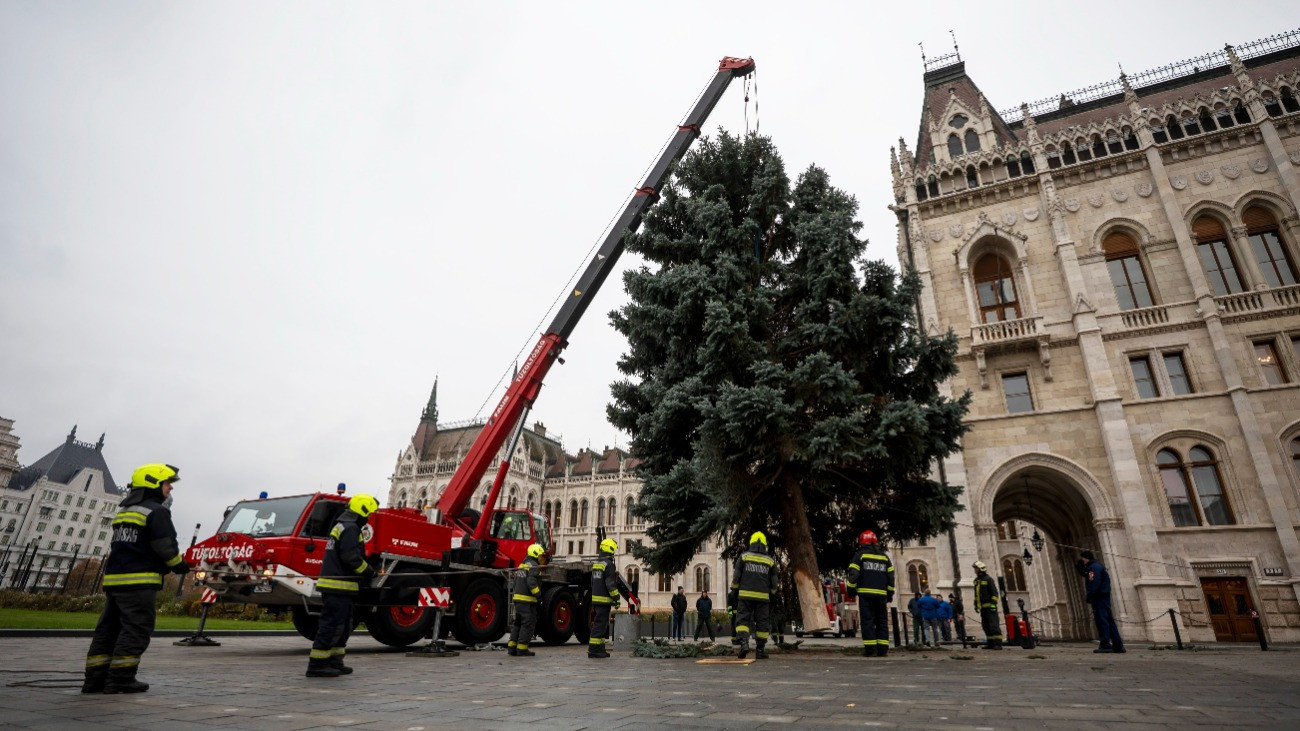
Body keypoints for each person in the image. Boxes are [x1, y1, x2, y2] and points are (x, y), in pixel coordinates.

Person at [82, 463, 189, 694]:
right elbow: (165, 547)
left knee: (107, 631)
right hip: (138, 583)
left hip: (115, 581)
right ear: (153, 483)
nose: (170, 487)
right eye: (167, 483)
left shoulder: (125, 512)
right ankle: (120, 679)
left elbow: (133, 545)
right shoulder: (157, 512)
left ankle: (94, 680)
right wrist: (179, 565)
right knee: (136, 629)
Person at [307, 493, 378, 677]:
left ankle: (335, 661)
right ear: (361, 511)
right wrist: (368, 571)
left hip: (340, 586)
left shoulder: (342, 525)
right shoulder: (351, 529)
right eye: (369, 514)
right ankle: (317, 665)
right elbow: (351, 557)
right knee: (332, 625)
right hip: (337, 586)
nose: (368, 518)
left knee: (344, 625)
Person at [729, 531, 777, 659]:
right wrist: (772, 593)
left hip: (745, 596)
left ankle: (744, 643)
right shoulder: (770, 561)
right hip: (763, 597)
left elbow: (737, 576)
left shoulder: (744, 557)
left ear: (751, 542)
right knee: (762, 623)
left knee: (743, 620)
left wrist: (734, 590)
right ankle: (760, 650)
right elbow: (774, 581)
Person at [846, 529, 894, 657]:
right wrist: (890, 594)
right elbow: (891, 577)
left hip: (866, 595)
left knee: (868, 622)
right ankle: (883, 649)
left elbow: (854, 575)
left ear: (862, 541)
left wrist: (850, 590)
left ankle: (871, 650)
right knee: (882, 622)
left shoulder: (860, 555)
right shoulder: (884, 557)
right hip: (881, 596)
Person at [589, 538, 634, 658]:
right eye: (613, 550)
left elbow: (593, 582)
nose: (613, 553)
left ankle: (599, 649)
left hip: (596, 599)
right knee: (601, 625)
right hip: (604, 600)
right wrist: (616, 598)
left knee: (599, 624)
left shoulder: (596, 564)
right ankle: (594, 650)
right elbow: (610, 584)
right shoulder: (609, 565)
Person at [1079, 550, 1126, 653]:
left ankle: (1105, 645)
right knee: (1109, 621)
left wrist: (1090, 595)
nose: (1082, 561)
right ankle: (1118, 645)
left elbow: (1094, 582)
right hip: (1103, 596)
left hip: (1099, 597)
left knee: (1102, 621)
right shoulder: (1097, 566)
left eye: (1082, 559)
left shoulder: (1094, 568)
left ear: (1086, 558)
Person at [508, 543, 545, 657]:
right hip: (527, 601)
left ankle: (512, 647)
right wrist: (539, 596)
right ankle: (522, 648)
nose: (541, 558)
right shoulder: (534, 566)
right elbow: (531, 583)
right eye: (540, 555)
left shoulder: (522, 565)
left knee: (518, 623)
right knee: (527, 624)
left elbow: (516, 582)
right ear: (535, 554)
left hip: (518, 599)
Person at [972, 561, 1003, 650]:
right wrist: (976, 604)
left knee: (994, 625)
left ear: (981, 569)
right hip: (983, 607)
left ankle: (998, 644)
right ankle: (991, 643)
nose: (975, 570)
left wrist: (993, 604)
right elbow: (977, 594)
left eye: (976, 569)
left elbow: (994, 592)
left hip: (990, 607)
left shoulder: (988, 579)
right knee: (986, 626)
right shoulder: (977, 581)